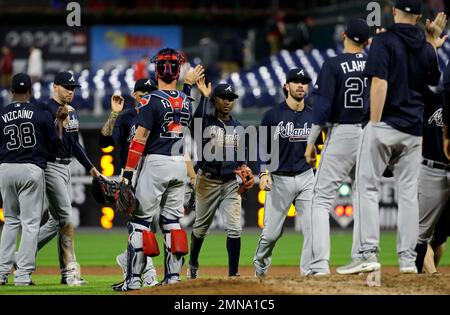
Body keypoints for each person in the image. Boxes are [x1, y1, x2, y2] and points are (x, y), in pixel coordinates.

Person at [336, 0, 446, 275]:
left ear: (394, 12)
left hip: (384, 123)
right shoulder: (425, 47)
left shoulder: (384, 41)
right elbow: (432, 80)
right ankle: (409, 260)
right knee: (408, 195)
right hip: (413, 132)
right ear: (420, 17)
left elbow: (380, 83)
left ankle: (368, 253)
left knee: (366, 188)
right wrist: (432, 43)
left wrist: (373, 124)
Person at [113, 48, 193, 291]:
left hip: (156, 162)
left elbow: (139, 139)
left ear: (156, 69)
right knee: (173, 223)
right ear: (178, 71)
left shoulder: (149, 100)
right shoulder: (188, 101)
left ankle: (134, 280)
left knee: (140, 222)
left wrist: (127, 173)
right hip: (179, 162)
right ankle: (173, 279)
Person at [304, 18, 370, 275]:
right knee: (364, 195)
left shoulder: (333, 64)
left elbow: (321, 109)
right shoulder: (375, 62)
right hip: (369, 132)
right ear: (366, 41)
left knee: (320, 200)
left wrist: (311, 143)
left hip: (342, 131)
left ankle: (320, 265)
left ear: (344, 35)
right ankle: (363, 257)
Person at [36, 71, 101, 285]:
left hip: (66, 167)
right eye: (66, 87)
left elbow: (74, 145)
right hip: (50, 166)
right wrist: (58, 121)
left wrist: (91, 168)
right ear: (55, 87)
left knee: (57, 220)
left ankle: (20, 258)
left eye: (73, 88)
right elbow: (48, 142)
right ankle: (71, 272)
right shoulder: (46, 110)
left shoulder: (72, 112)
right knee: (67, 218)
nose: (70, 92)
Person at [187, 77, 251, 279]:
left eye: (231, 98)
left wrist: (244, 168)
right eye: (223, 97)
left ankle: (233, 274)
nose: (228, 101)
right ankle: (193, 263)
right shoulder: (206, 121)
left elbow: (242, 157)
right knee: (200, 228)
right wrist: (204, 97)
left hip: (231, 183)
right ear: (215, 100)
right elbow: (194, 124)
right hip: (207, 181)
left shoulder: (239, 126)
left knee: (234, 227)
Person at [254, 68, 315, 277]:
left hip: (307, 178)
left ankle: (308, 276)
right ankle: (260, 270)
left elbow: (322, 146)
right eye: (295, 81)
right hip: (279, 179)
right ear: (286, 86)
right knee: (271, 235)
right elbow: (262, 146)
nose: (300, 85)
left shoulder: (314, 114)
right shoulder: (272, 115)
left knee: (313, 232)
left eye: (304, 81)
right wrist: (263, 173)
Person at [0, 73, 60, 286]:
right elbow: (54, 144)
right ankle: (23, 275)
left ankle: (1, 273)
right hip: (30, 169)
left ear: (12, 91)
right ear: (31, 91)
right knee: (30, 224)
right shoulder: (40, 114)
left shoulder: (2, 113)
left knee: (10, 221)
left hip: (6, 168)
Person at [413, 86, 450, 273]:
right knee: (421, 234)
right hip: (432, 171)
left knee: (439, 238)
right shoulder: (431, 100)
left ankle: (429, 279)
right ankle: (431, 277)